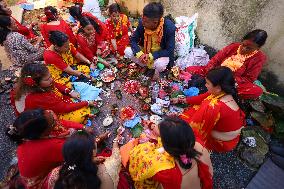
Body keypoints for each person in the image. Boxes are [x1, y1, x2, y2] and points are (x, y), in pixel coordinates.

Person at [6, 109, 87, 189]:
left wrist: (82, 126)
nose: (56, 123)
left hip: (36, 169)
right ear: (42, 134)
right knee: (73, 167)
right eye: (53, 124)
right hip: (38, 182)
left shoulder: (30, 134)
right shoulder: (49, 146)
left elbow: (60, 123)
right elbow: (81, 153)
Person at [172, 67, 245, 152]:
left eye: (207, 83)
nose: (205, 85)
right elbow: (202, 98)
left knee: (180, 124)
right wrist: (183, 100)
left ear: (218, 87)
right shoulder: (224, 93)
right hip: (224, 131)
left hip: (220, 140)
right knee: (193, 110)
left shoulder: (213, 106)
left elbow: (195, 129)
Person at [128, 117, 213, 189]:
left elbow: (138, 161)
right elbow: (177, 134)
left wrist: (154, 141)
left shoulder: (165, 169)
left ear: (167, 148)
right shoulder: (197, 143)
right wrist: (152, 125)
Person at [186, 29, 268, 99]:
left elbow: (249, 79)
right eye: (243, 45)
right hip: (215, 74)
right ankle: (217, 90)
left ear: (258, 48)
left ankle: (217, 90)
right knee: (189, 69)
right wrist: (212, 72)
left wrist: (228, 79)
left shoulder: (259, 58)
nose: (243, 49)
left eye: (248, 48)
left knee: (257, 91)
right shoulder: (234, 46)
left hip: (230, 82)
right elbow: (215, 60)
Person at [11, 63, 96, 123]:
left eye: (50, 76)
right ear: (36, 83)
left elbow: (55, 83)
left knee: (68, 86)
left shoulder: (39, 85)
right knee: (79, 116)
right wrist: (86, 103)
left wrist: (70, 91)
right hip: (42, 118)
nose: (51, 80)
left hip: (55, 103)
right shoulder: (36, 98)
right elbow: (64, 108)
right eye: (47, 79)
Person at [45, 131, 122, 189]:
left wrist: (91, 160)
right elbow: (116, 158)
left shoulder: (57, 173)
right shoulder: (106, 172)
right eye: (94, 144)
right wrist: (115, 142)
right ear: (92, 152)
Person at [124, 2, 176, 80]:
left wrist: (151, 56)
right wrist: (140, 54)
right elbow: (133, 40)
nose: (142, 22)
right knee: (127, 51)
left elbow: (170, 50)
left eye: (146, 21)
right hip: (145, 51)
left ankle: (156, 71)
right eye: (142, 19)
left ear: (155, 22)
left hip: (159, 54)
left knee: (160, 64)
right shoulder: (142, 23)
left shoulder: (169, 28)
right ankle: (145, 65)